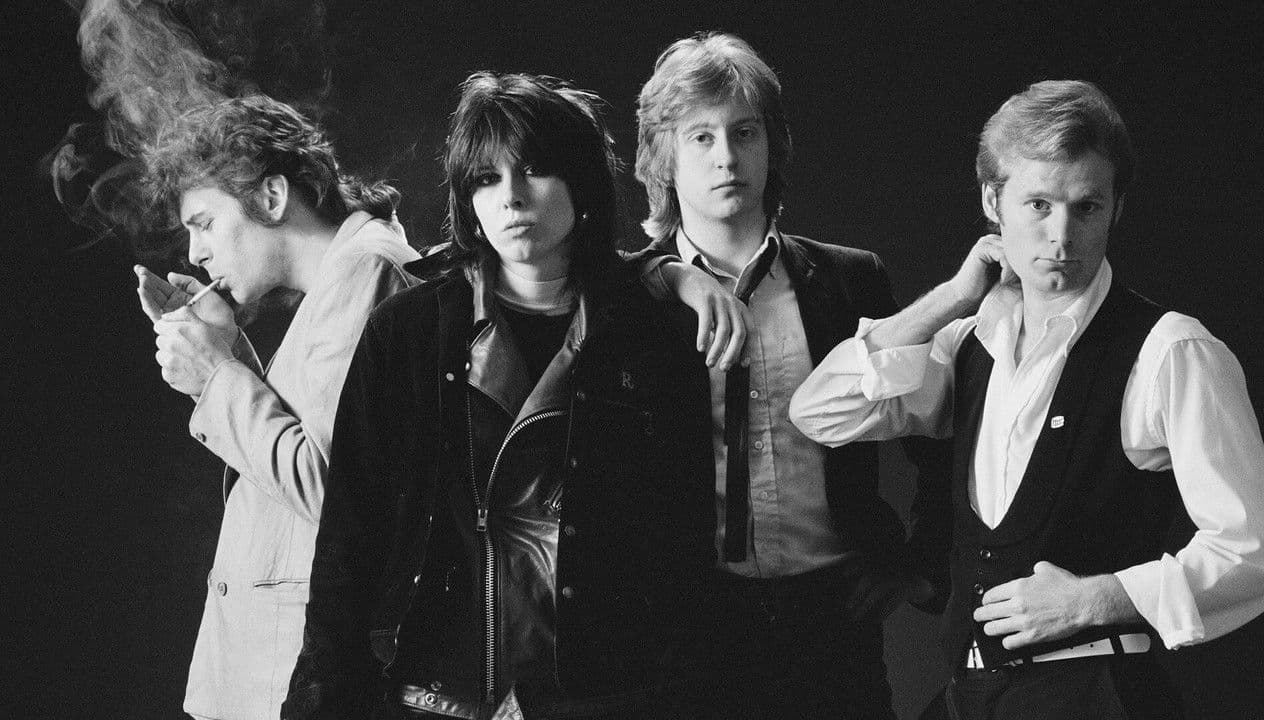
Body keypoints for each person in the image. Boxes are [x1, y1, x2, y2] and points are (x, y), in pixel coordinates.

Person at [789, 80, 1264, 719]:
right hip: (970, 697)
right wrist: (954, 296)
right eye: (1038, 204)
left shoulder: (1170, 350)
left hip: (1099, 702)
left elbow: (1252, 548)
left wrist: (1098, 599)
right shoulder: (968, 342)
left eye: (1086, 207)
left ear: (1117, 208)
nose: (1061, 237)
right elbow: (819, 412)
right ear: (993, 201)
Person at [282, 72, 722, 720]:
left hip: (603, 698)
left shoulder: (651, 333)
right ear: (467, 199)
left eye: (535, 169)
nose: (511, 197)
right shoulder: (409, 332)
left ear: (581, 183)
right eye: (486, 178)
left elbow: (685, 547)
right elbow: (351, 536)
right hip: (435, 694)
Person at [631, 32, 952, 719]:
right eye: (700, 137)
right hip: (686, 632)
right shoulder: (631, 296)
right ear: (663, 157)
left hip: (832, 621)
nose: (726, 156)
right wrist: (662, 273)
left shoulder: (851, 281)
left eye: (744, 132)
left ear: (771, 145)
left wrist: (919, 565)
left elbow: (939, 436)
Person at [136, 94, 421, 720]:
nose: (194, 254)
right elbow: (307, 449)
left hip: (290, 685)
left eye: (205, 223)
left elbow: (328, 487)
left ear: (271, 197)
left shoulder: (367, 272)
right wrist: (225, 355)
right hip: (270, 677)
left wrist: (216, 375)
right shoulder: (344, 276)